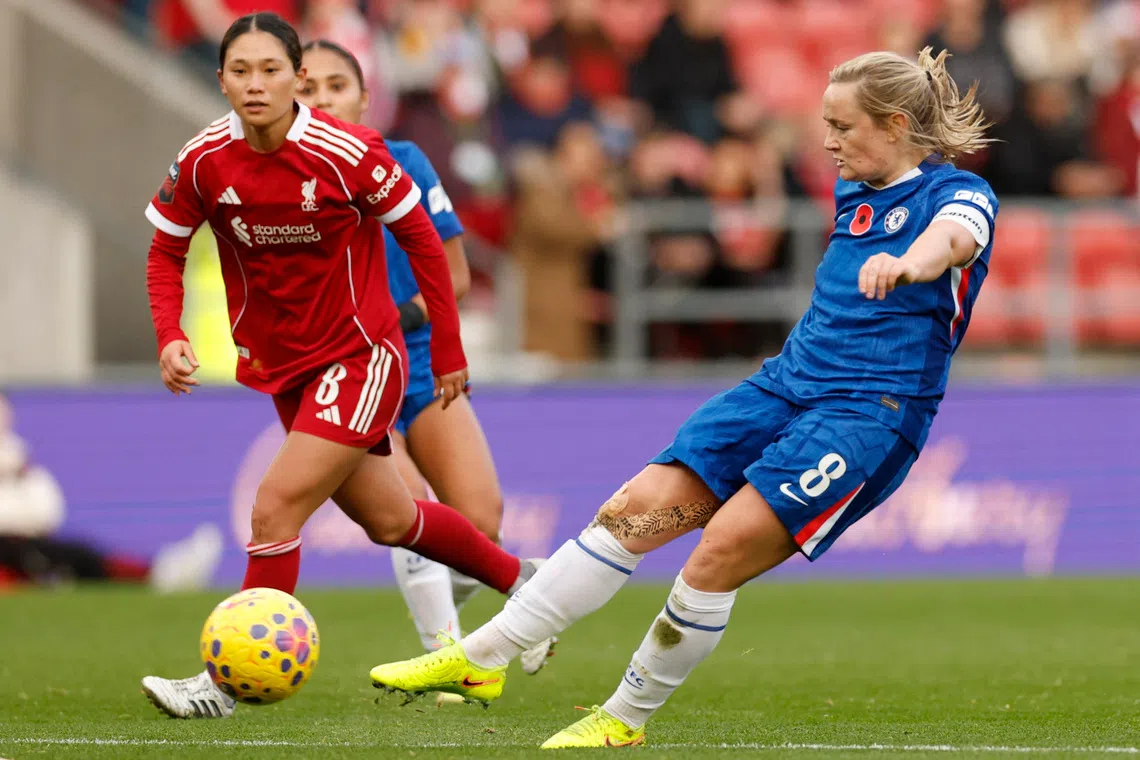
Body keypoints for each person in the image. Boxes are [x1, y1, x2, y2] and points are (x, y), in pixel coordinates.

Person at [369, 47, 998, 748]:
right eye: (824, 123)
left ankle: (624, 717)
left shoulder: (955, 195)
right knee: (631, 511)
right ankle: (481, 658)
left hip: (865, 417)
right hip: (783, 385)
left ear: (896, 125)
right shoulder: (854, 188)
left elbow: (955, 241)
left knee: (718, 552)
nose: (827, 140)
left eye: (842, 126)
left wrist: (910, 262)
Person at [139, 12, 540, 719]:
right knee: (392, 521)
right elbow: (166, 250)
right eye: (240, 71)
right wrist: (170, 333)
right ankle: (530, 589)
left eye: (271, 70)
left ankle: (226, 686)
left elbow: (422, 242)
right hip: (284, 367)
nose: (256, 84)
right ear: (221, 78)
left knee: (275, 506)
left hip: (362, 357)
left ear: (294, 79)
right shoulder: (203, 159)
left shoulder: (347, 151)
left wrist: (447, 349)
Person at [297, 40, 555, 676]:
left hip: (415, 360)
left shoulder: (404, 160)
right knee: (410, 507)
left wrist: (393, 319)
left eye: (336, 84)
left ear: (365, 97)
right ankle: (449, 661)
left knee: (479, 522)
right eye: (308, 87)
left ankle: (508, 585)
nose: (322, 97)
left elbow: (456, 274)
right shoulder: (282, 181)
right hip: (347, 372)